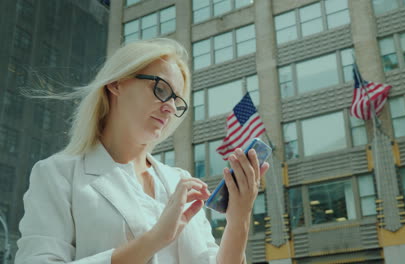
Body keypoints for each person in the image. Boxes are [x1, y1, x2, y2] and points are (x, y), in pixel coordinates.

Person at [15, 38, 269, 264]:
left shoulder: (179, 180)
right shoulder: (58, 174)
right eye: (161, 89)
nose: (170, 108)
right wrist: (155, 239)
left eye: (177, 101)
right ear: (116, 84)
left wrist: (239, 220)